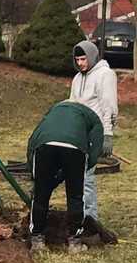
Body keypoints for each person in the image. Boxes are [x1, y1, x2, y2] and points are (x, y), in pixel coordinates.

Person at [27, 100, 103, 254]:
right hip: (75, 150)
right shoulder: (93, 118)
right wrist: (82, 169)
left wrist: (36, 177)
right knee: (75, 195)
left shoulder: (52, 111)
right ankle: (74, 242)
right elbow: (95, 150)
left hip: (45, 146)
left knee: (40, 194)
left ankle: (37, 240)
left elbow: (32, 142)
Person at [69, 39, 118, 221]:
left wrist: (107, 134)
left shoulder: (105, 75)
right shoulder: (77, 78)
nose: (80, 63)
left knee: (87, 176)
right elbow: (73, 104)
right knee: (77, 175)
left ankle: (91, 219)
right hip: (78, 133)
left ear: (91, 56)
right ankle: (78, 216)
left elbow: (109, 107)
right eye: (77, 60)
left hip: (95, 132)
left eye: (83, 59)